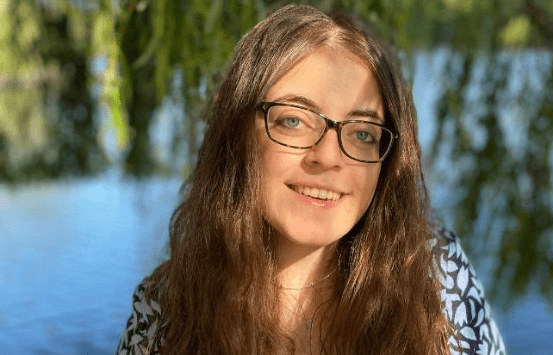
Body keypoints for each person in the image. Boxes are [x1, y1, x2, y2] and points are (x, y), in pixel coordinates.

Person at [115, 4, 506, 355]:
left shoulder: (440, 282)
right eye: (293, 121)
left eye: (363, 133)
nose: (328, 156)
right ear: (237, 136)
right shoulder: (166, 310)